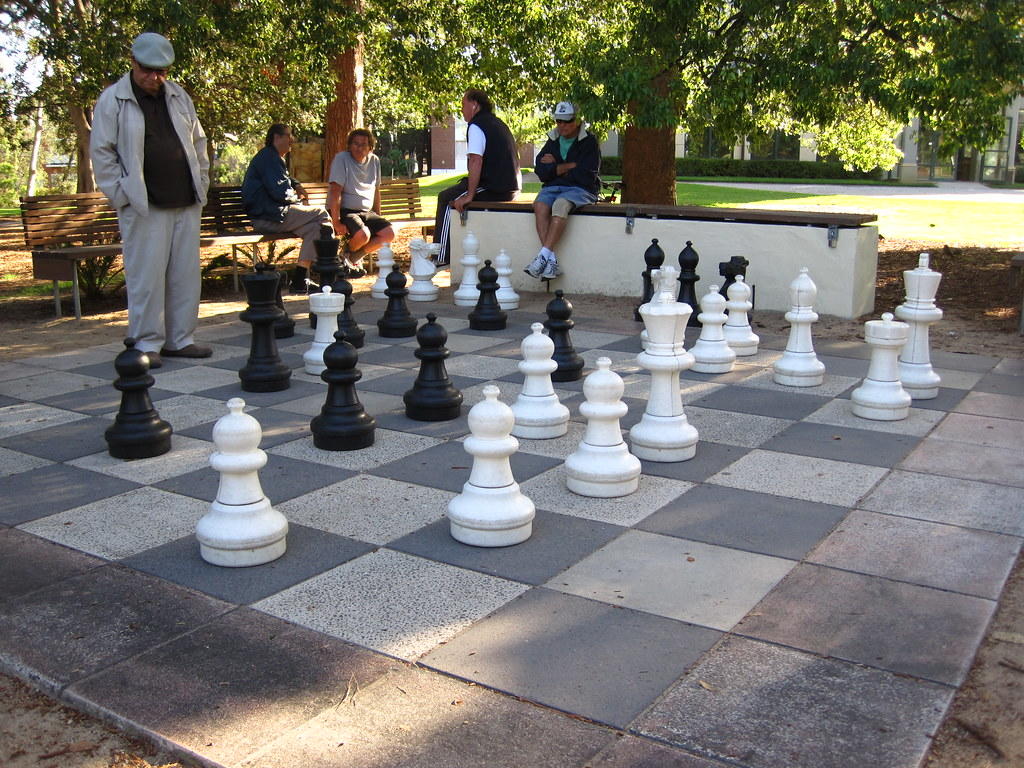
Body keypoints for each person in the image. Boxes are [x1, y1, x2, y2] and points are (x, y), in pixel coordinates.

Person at [90, 32, 211, 369]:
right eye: (147, 69)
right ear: (133, 62)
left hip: (186, 200)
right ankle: (146, 342)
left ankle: (180, 339)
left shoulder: (179, 96)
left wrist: (201, 182)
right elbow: (102, 153)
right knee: (146, 277)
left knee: (185, 276)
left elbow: (198, 142)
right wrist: (123, 196)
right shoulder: (113, 100)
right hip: (144, 204)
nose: (154, 77)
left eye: (161, 71)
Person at [432, 88, 521, 266]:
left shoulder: (477, 125)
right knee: (454, 193)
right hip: (511, 186)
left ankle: (441, 257)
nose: (461, 110)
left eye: (463, 105)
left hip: (495, 187)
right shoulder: (497, 123)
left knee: (446, 198)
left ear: (474, 105)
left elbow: (475, 160)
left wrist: (470, 195)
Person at [241, 123, 332, 291]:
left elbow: (285, 179)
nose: (292, 140)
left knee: (314, 228)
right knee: (321, 213)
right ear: (277, 137)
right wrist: (298, 200)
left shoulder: (273, 157)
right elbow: (280, 193)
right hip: (268, 217)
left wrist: (296, 185)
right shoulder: (269, 158)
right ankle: (332, 268)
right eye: (289, 136)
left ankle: (299, 280)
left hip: (275, 214)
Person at [524, 101, 601, 281]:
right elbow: (540, 171)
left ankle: (543, 257)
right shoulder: (553, 140)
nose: (562, 125)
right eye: (559, 121)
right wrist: (569, 166)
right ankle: (550, 261)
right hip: (553, 187)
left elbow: (586, 175)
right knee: (540, 205)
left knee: (560, 204)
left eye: (567, 121)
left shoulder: (589, 142)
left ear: (577, 120)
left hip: (581, 190)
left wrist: (556, 167)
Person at [327, 128, 395, 275]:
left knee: (389, 233)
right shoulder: (341, 159)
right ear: (349, 145)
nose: (359, 148)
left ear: (370, 147)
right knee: (363, 235)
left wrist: (378, 215)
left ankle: (351, 258)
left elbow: (376, 191)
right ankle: (344, 256)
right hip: (346, 211)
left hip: (367, 212)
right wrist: (336, 221)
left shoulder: (374, 160)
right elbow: (335, 191)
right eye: (355, 144)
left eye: (363, 144)